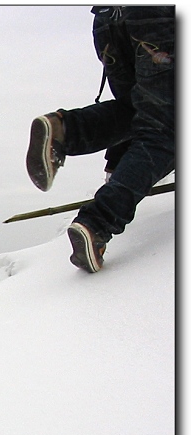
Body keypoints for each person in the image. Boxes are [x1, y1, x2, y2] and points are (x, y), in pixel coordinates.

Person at [25, 6, 174, 273]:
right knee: (166, 131)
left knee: (138, 110)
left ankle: (64, 130)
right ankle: (98, 223)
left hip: (109, 20)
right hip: (162, 19)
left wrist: (116, 163)